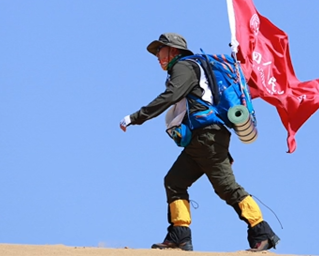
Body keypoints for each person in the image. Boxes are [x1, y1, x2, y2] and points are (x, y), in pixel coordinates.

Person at [119, 33, 280, 252]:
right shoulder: (195, 67)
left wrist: (136, 117)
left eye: (161, 50)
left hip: (207, 138)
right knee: (175, 181)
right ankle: (180, 236)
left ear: (174, 51)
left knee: (227, 188)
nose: (158, 56)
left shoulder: (184, 67)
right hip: (203, 139)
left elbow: (171, 96)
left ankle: (262, 232)